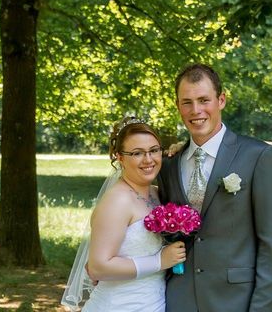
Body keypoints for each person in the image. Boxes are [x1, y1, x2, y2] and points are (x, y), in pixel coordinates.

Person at [158, 63, 272, 312]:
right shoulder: (170, 164)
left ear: (222, 100)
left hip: (236, 300)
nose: (196, 111)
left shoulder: (258, 156)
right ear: (178, 106)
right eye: (187, 102)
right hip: (179, 299)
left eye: (204, 100)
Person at [62, 117, 186, 311]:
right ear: (120, 158)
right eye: (137, 153)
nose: (148, 160)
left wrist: (182, 153)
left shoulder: (155, 193)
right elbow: (97, 267)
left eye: (154, 150)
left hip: (153, 302)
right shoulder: (117, 200)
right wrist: (159, 261)